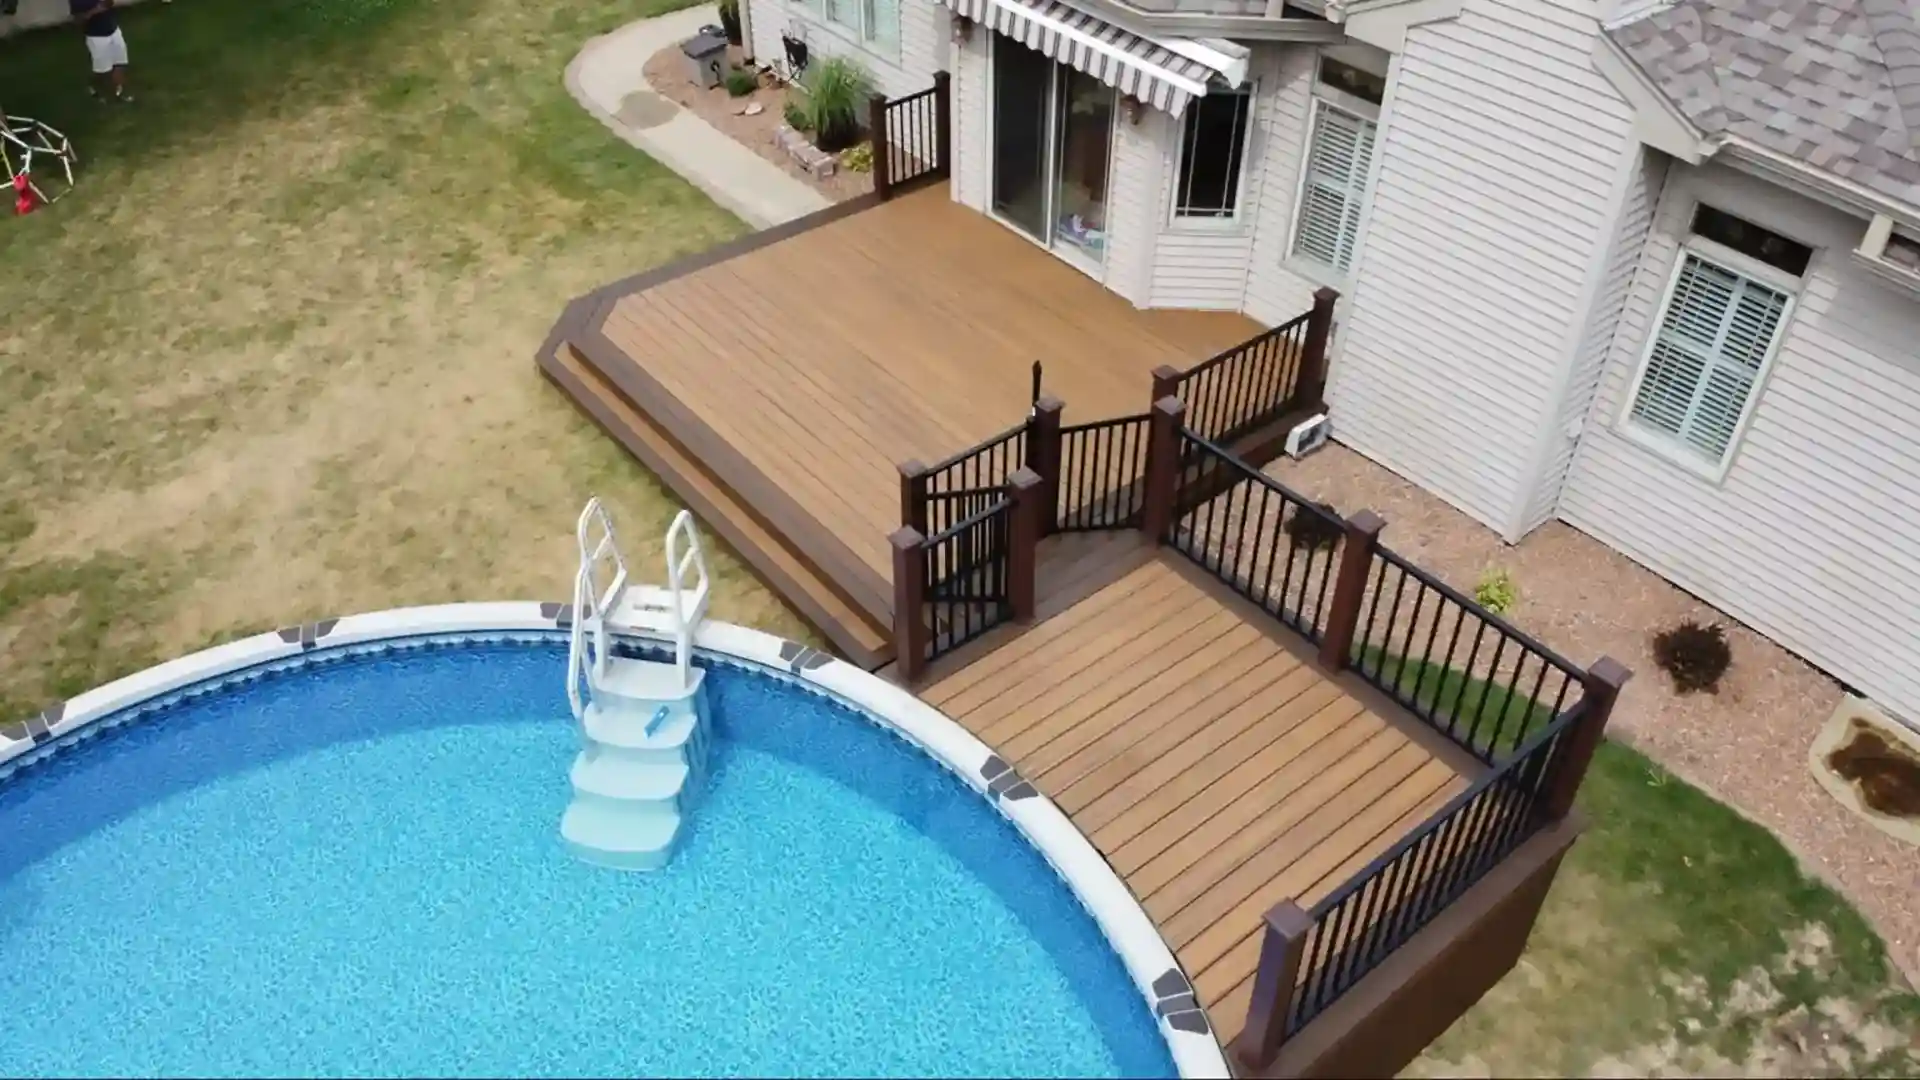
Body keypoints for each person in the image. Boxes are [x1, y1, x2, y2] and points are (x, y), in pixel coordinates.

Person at [71, 0, 131, 103]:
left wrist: (108, 3)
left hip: (113, 30)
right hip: (96, 37)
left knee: (120, 63)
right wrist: (95, 10)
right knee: (103, 71)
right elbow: (78, 20)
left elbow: (109, 4)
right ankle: (94, 87)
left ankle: (119, 92)